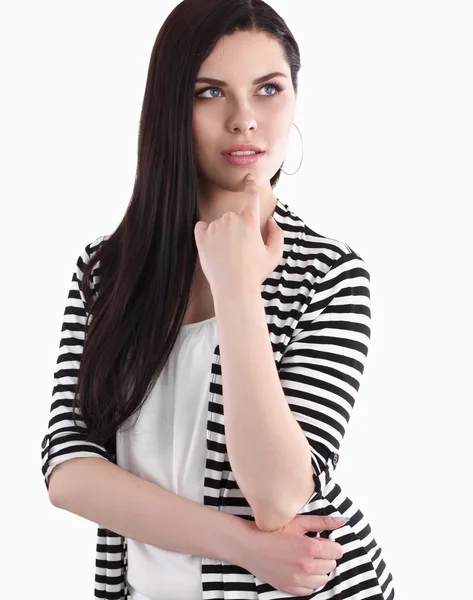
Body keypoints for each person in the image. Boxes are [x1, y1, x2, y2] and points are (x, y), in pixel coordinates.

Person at [40, 0, 395, 598]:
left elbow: (279, 492)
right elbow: (68, 470)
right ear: (170, 108)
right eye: (210, 92)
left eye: (268, 89)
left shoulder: (329, 273)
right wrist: (243, 546)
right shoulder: (106, 270)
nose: (244, 120)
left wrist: (236, 289)